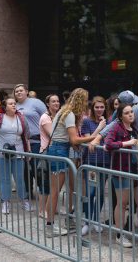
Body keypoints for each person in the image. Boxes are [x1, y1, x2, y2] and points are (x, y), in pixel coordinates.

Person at [45, 88, 103, 238]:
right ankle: (50, 227)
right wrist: (96, 134)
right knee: (55, 191)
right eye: (85, 100)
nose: (86, 103)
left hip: (58, 149)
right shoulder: (69, 114)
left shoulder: (64, 111)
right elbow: (74, 140)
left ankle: (52, 224)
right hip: (59, 150)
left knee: (57, 190)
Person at [0, 97, 31, 214]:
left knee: (19, 178)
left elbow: (26, 135)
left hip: (18, 153)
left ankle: (24, 200)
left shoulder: (21, 118)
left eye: (14, 103)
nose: (14, 105)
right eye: (11, 103)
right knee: (5, 179)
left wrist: (27, 151)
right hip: (1, 154)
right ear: (5, 106)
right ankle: (5, 202)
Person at [105, 104, 138, 248]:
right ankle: (120, 234)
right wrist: (126, 143)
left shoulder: (135, 129)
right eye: (127, 113)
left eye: (131, 112)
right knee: (123, 202)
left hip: (135, 169)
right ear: (120, 116)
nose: (131, 114)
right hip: (120, 169)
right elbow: (108, 144)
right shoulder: (116, 127)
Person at [81, 96, 110, 235]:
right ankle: (87, 221)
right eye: (97, 107)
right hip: (91, 161)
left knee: (100, 193)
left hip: (104, 161)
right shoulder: (87, 121)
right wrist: (99, 128)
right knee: (90, 192)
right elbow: (88, 142)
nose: (99, 109)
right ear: (93, 108)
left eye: (102, 107)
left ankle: (96, 219)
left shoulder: (109, 121)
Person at [14, 84, 47, 199]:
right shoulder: (14, 106)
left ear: (26, 92)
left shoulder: (36, 102)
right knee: (24, 169)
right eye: (16, 91)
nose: (18, 92)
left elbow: (47, 117)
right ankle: (28, 191)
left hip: (37, 141)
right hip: (22, 142)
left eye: (21, 90)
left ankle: (43, 192)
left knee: (37, 168)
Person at [38, 94, 60, 217]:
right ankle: (42, 210)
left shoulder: (58, 116)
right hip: (46, 152)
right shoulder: (45, 117)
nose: (56, 103)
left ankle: (51, 208)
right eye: (53, 101)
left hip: (55, 152)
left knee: (53, 183)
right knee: (45, 183)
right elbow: (53, 134)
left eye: (57, 101)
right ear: (48, 104)